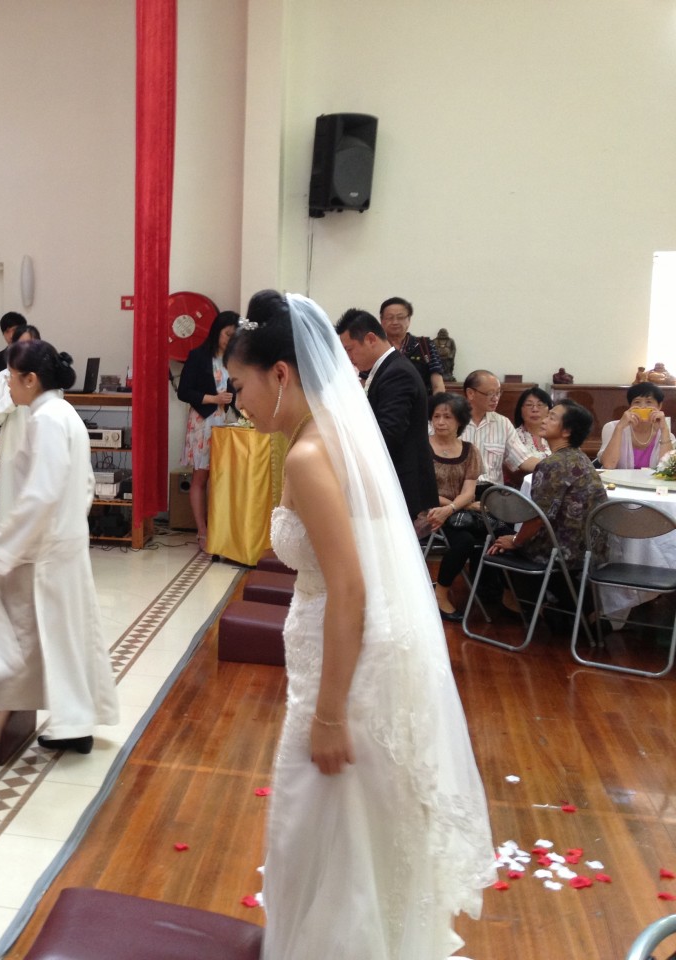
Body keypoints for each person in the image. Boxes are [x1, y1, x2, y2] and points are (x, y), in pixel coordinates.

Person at [223, 290, 492, 960]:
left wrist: (330, 713)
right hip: (356, 649)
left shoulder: (309, 457)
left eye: (240, 385)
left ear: (280, 373)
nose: (237, 401)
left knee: (318, 825)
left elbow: (350, 589)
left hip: (347, 660)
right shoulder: (332, 436)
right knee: (347, 830)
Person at [0, 340, 119, 768]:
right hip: (61, 546)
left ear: (31, 380)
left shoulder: (47, 420)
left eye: (12, 379)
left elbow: (41, 493)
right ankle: (75, 724)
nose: (8, 388)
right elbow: (82, 486)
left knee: (19, 642)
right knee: (60, 640)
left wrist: (4, 543)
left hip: (43, 552)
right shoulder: (63, 413)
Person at [488, 400, 607, 609]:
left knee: (497, 544)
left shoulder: (552, 465)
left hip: (560, 550)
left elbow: (537, 517)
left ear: (567, 431)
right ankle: (573, 608)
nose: (544, 419)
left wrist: (515, 541)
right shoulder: (581, 458)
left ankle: (521, 609)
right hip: (589, 548)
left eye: (552, 417)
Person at [335, 308, 438, 518]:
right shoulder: (386, 369)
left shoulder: (397, 373)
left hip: (401, 481)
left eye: (350, 349)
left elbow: (388, 432)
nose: (348, 357)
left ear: (371, 339)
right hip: (394, 479)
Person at [175, 310, 240, 550]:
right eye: (227, 334)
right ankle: (202, 531)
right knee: (200, 476)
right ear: (217, 331)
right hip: (203, 422)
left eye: (234, 336)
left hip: (224, 423)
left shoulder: (233, 360)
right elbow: (184, 392)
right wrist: (213, 399)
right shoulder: (198, 356)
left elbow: (235, 394)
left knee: (221, 477)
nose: (230, 340)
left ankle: (220, 527)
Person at [424, 393, 484, 622]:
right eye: (436, 416)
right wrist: (458, 506)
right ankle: (440, 594)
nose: (440, 422)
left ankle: (497, 593)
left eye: (447, 417)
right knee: (465, 541)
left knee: (498, 531)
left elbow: (469, 490)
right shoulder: (421, 448)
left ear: (460, 421)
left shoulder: (470, 450)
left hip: (455, 511)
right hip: (428, 509)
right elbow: (424, 489)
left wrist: (452, 508)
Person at [0, 323, 41, 525]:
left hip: (39, 451)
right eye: (21, 344)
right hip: (11, 450)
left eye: (30, 344)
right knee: (10, 509)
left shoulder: (46, 377)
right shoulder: (3, 377)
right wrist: (12, 400)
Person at [459, 370, 541, 485]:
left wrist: (553, 465)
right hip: (457, 493)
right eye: (490, 393)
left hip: (490, 493)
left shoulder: (503, 423)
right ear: (470, 393)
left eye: (498, 393)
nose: (495, 398)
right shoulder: (452, 421)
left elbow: (523, 460)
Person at [597, 381, 673, 469]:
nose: (643, 407)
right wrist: (620, 428)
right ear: (630, 406)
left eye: (649, 402)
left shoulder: (666, 434)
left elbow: (668, 468)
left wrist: (664, 430)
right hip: (616, 482)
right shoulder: (612, 427)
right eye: (637, 402)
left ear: (659, 406)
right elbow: (609, 465)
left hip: (650, 483)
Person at [380, 297, 445, 396]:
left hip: (421, 406)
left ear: (409, 320)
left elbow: (438, 385)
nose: (395, 322)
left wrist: (435, 406)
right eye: (389, 317)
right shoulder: (376, 348)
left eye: (400, 317)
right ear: (382, 321)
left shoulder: (425, 345)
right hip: (384, 406)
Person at [0, 311, 28, 451]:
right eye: (6, 331)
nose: (10, 335)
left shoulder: (35, 358)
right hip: (4, 419)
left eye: (14, 330)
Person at [512, 386, 553, 459]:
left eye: (540, 405)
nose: (535, 409)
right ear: (520, 410)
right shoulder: (512, 438)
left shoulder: (555, 435)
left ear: (549, 411)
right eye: (529, 405)